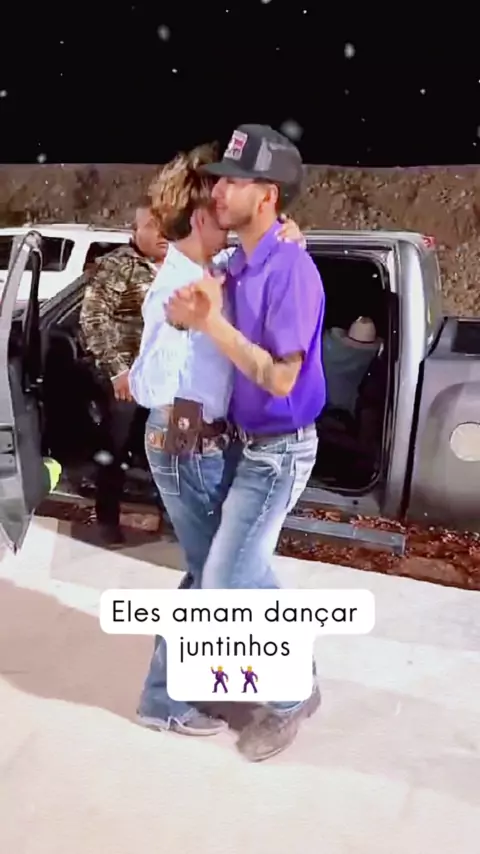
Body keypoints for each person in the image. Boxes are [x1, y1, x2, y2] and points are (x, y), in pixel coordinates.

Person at [128, 143, 305, 739]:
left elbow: (263, 249)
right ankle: (180, 697)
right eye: (219, 206)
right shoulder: (176, 286)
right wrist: (182, 326)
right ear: (202, 217)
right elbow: (148, 386)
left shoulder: (215, 266)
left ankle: (166, 696)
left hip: (210, 445)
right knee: (222, 575)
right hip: (184, 445)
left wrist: (291, 234)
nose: (227, 212)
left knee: (211, 574)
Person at [165, 124, 326, 761]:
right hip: (245, 444)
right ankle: (298, 672)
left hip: (280, 450)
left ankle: (289, 701)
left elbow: (282, 379)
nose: (219, 190)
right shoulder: (244, 261)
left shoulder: (291, 271)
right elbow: (198, 291)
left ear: (268, 195)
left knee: (226, 583)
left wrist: (211, 325)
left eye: (234, 181)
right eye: (220, 179)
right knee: (244, 572)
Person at [79, 200, 168, 544]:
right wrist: (118, 372)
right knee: (115, 451)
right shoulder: (118, 265)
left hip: (165, 378)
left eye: (166, 225)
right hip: (127, 379)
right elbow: (93, 319)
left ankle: (166, 516)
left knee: (164, 450)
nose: (162, 233)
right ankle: (107, 519)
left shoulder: (179, 264)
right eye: (152, 226)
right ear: (135, 230)